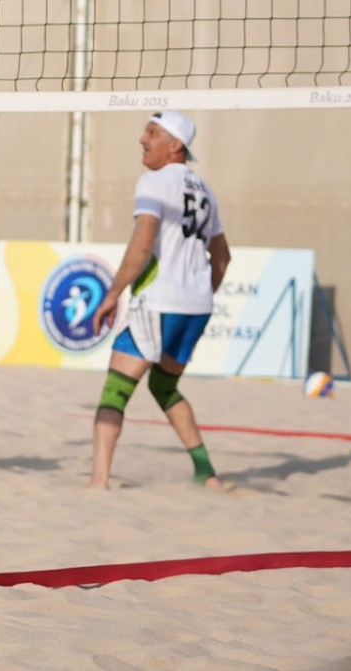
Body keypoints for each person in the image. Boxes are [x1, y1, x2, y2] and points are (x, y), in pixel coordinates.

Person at [88, 110, 232, 491]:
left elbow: (143, 243)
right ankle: (207, 473)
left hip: (159, 303)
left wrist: (113, 293)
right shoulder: (206, 191)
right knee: (164, 387)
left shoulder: (153, 182)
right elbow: (222, 258)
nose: (142, 139)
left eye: (151, 133)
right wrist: (201, 293)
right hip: (196, 307)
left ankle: (98, 482)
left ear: (175, 146)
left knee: (115, 390)